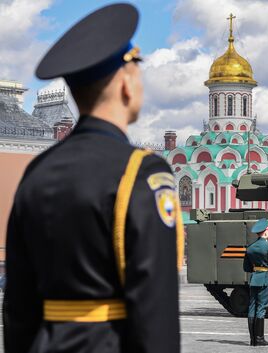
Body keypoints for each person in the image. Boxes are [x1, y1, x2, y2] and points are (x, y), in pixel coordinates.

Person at [3, 4, 183, 353]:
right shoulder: (142, 173)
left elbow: (17, 308)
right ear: (127, 83)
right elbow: (155, 310)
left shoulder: (37, 173)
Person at [243, 218, 268, 346]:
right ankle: (259, 338)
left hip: (254, 280)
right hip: (265, 280)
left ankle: (253, 339)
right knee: (261, 309)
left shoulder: (250, 248)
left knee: (252, 308)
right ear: (265, 232)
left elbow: (246, 268)